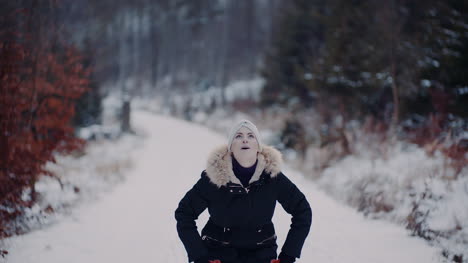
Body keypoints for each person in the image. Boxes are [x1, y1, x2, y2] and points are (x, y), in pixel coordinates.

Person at [175, 120, 312, 263]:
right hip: (218, 253)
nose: (245, 139)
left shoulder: (273, 177)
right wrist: (200, 256)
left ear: (258, 146)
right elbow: (184, 213)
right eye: (238, 136)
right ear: (230, 147)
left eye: (251, 136)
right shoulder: (213, 178)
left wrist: (288, 255)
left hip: (261, 254)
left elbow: (302, 210)